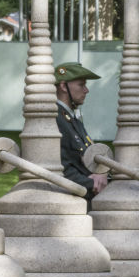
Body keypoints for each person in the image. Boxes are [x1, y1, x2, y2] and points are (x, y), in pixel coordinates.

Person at [55, 61, 107, 200]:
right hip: (75, 197)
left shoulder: (71, 118)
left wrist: (101, 174)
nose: (86, 90)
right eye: (81, 85)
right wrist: (92, 183)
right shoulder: (55, 118)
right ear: (63, 86)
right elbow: (60, 167)